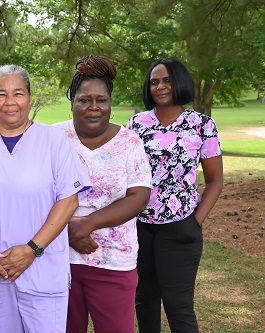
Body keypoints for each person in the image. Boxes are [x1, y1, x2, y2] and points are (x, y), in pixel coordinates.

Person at [0, 64, 92, 333]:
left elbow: (68, 201)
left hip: (41, 269)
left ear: (30, 97)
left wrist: (32, 249)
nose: (10, 102)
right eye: (1, 94)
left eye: (18, 93)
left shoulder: (53, 141)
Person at [54, 55, 152, 333]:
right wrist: (66, 233)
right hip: (59, 260)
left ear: (110, 103)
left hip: (113, 262)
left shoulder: (129, 143)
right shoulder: (53, 138)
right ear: (72, 101)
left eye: (102, 100)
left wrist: (87, 224)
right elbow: (33, 194)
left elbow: (138, 196)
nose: (93, 108)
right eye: (84, 100)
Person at [127, 58, 223, 333]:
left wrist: (195, 221)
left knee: (178, 306)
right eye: (154, 81)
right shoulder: (136, 124)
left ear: (179, 82)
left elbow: (215, 180)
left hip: (181, 226)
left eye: (167, 80)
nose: (160, 86)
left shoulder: (202, 125)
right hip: (139, 226)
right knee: (144, 301)